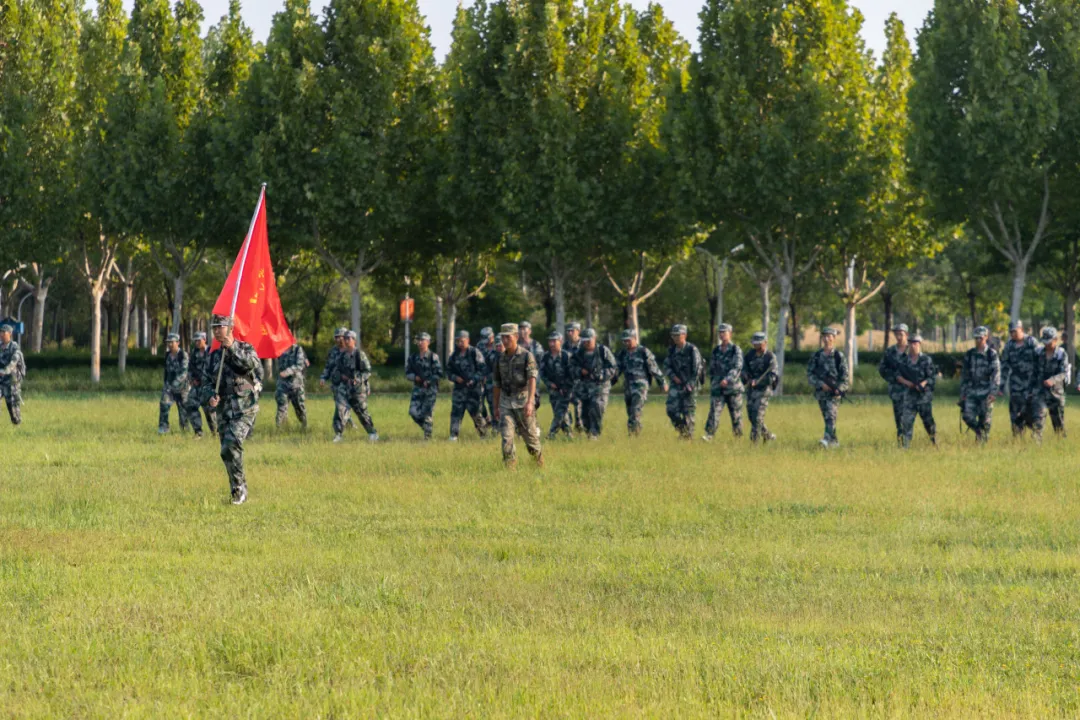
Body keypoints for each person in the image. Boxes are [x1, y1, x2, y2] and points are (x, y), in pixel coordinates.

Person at [207, 314, 260, 505]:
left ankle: (239, 491)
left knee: (231, 444)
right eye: (214, 327)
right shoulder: (213, 356)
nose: (216, 330)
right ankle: (237, 489)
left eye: (220, 326)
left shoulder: (245, 348)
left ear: (230, 327)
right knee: (226, 451)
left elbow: (248, 365)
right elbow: (207, 382)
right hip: (224, 410)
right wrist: (210, 397)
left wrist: (232, 348)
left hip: (244, 408)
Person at [492, 323, 544, 468]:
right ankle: (510, 468)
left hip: (523, 401)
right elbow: (496, 384)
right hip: (506, 402)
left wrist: (530, 401)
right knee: (507, 437)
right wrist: (495, 407)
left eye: (508, 337)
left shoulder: (527, 356)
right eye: (503, 337)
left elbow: (532, 379)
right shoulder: (499, 359)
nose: (505, 340)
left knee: (531, 440)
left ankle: (539, 462)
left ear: (516, 337)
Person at [614, 328, 667, 436]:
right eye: (624, 341)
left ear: (634, 338)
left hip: (640, 385)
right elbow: (617, 369)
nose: (626, 343)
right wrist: (609, 382)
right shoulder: (622, 353)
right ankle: (634, 432)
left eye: (628, 340)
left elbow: (653, 368)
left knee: (635, 410)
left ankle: (634, 435)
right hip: (628, 385)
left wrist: (662, 382)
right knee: (630, 412)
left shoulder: (643, 351)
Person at [570, 327, 618, 439]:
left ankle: (595, 434)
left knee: (597, 407)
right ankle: (588, 432)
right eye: (584, 340)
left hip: (600, 386)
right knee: (585, 412)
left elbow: (613, 367)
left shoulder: (603, 351)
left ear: (595, 338)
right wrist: (580, 371)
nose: (586, 342)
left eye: (589, 340)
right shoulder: (579, 352)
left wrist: (601, 375)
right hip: (584, 387)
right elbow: (571, 367)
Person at [333, 330, 379, 443]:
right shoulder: (342, 355)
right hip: (344, 387)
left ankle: (372, 433)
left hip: (358, 389)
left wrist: (358, 379)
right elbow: (337, 369)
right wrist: (340, 377)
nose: (346, 340)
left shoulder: (359, 354)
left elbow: (367, 371)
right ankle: (338, 434)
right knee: (340, 409)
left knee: (361, 412)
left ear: (354, 340)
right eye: (345, 338)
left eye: (349, 338)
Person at [806, 327, 848, 448]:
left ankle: (825, 440)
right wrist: (820, 384)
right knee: (827, 417)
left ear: (834, 338)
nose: (826, 338)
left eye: (829, 336)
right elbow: (810, 374)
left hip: (834, 394)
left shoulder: (839, 356)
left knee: (830, 415)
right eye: (824, 336)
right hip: (821, 393)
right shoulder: (817, 356)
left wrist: (839, 389)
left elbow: (845, 377)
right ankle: (834, 442)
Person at [1000, 320, 1041, 438]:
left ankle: (1036, 434)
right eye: (1011, 332)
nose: (1013, 334)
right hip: (1016, 385)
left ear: (1021, 329)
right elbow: (1004, 367)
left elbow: (1040, 361)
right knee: (1015, 413)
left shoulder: (1031, 342)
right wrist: (1001, 386)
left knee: (1032, 411)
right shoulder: (1009, 346)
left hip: (1031, 384)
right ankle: (1018, 438)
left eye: (1015, 331)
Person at [445, 330, 488, 441]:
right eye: (457, 341)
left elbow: (483, 369)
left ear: (468, 340)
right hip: (459, 390)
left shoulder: (474, 352)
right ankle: (453, 436)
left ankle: (484, 435)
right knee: (456, 413)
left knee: (476, 414)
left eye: (462, 340)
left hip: (473, 390)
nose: (459, 343)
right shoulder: (454, 355)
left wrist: (474, 379)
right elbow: (448, 372)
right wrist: (455, 378)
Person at [704, 323, 744, 441]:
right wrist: (713, 382)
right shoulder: (716, 350)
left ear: (730, 334)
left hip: (733, 389)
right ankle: (709, 435)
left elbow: (737, 367)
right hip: (718, 388)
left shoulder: (736, 350)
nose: (722, 334)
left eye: (724, 332)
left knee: (736, 416)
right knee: (714, 412)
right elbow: (712, 369)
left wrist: (727, 379)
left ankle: (738, 439)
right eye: (720, 332)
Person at [960, 326, 1000, 443]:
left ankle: (982, 444)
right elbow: (964, 375)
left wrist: (993, 392)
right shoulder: (970, 354)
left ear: (986, 337)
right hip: (972, 391)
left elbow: (996, 374)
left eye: (980, 338)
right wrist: (963, 393)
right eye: (976, 338)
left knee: (985, 421)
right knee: (967, 416)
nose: (978, 340)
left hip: (986, 392)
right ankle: (978, 432)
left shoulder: (991, 354)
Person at [898, 334, 938, 448]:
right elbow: (897, 375)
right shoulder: (904, 360)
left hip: (923, 397)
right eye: (910, 343)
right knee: (906, 422)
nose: (912, 346)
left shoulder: (926, 360)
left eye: (915, 343)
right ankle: (905, 447)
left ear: (919, 344)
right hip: (909, 396)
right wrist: (907, 383)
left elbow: (931, 377)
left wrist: (923, 384)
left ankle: (935, 443)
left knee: (928, 423)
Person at [664, 325, 703, 439]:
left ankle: (688, 437)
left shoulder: (692, 349)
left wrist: (690, 384)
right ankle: (683, 431)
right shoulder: (671, 350)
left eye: (678, 335)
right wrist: (673, 376)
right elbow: (667, 366)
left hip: (690, 385)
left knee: (688, 412)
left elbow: (697, 369)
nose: (675, 338)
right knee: (671, 410)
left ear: (684, 335)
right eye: (673, 335)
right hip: (676, 384)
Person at [1034, 326, 1070, 440]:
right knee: (1039, 418)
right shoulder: (1039, 353)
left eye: (1049, 342)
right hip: (1041, 392)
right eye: (1045, 342)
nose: (1046, 344)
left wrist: (1052, 380)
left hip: (1056, 394)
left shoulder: (1061, 354)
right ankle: (1036, 444)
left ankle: (1061, 444)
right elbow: (1034, 371)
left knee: (1058, 422)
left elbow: (1064, 373)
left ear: (1055, 339)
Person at [405, 332, 443, 440]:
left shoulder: (433, 356)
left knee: (427, 413)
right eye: (419, 340)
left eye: (423, 340)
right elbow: (407, 373)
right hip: (417, 388)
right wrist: (415, 377)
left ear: (428, 342)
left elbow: (439, 373)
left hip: (430, 389)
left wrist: (429, 381)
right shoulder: (413, 357)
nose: (420, 342)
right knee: (413, 412)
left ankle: (428, 437)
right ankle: (427, 428)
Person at [741, 332, 777, 443]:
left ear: (765, 343)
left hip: (764, 391)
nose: (756, 346)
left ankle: (754, 443)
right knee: (752, 417)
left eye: (759, 343)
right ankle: (768, 435)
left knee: (757, 416)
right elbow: (744, 370)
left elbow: (772, 376)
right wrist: (747, 378)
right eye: (755, 343)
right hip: (751, 391)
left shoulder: (770, 357)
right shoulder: (749, 355)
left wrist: (759, 382)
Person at [878, 322, 910, 446]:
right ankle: (902, 442)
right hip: (896, 390)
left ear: (906, 334)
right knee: (899, 417)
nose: (899, 337)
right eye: (896, 334)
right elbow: (882, 369)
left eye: (901, 334)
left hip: (911, 389)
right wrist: (895, 378)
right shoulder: (890, 352)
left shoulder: (912, 349)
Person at [539, 331, 575, 439]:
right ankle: (569, 433)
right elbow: (542, 373)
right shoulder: (545, 356)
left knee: (560, 411)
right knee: (559, 411)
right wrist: (550, 384)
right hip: (553, 390)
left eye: (554, 341)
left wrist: (565, 387)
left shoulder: (566, 356)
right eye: (550, 341)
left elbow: (572, 374)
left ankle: (551, 434)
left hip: (565, 390)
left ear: (560, 341)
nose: (552, 344)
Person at [320, 328, 355, 430]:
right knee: (341, 405)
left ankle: (339, 426)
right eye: (336, 337)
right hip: (335, 383)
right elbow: (328, 366)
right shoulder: (333, 351)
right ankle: (350, 425)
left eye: (339, 337)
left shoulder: (351, 350)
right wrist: (323, 377)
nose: (337, 339)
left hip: (347, 383)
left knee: (342, 405)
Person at [185, 332, 216, 437]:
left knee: (209, 411)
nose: (197, 343)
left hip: (208, 386)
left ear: (204, 339)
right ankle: (198, 432)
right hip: (197, 385)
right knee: (190, 404)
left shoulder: (212, 352)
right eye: (196, 341)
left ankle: (215, 432)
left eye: (199, 340)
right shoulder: (194, 353)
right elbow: (190, 368)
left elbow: (216, 369)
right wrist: (192, 379)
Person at [158, 332, 190, 435]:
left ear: (178, 343)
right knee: (164, 404)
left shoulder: (183, 355)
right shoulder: (167, 354)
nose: (170, 344)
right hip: (169, 386)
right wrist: (166, 384)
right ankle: (163, 428)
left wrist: (175, 384)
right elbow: (166, 371)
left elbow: (184, 373)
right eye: (168, 342)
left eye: (172, 342)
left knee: (183, 410)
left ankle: (185, 429)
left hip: (182, 388)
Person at [275, 341, 309, 428]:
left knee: (299, 407)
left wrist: (287, 372)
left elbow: (299, 365)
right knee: (281, 406)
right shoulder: (279, 349)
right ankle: (279, 429)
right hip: (282, 384)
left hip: (296, 384)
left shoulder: (298, 349)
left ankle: (304, 426)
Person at [0, 323, 25, 425]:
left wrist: (5, 371)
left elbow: (13, 362)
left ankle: (17, 423)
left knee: (12, 408)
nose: (1, 334)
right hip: (1, 380)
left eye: (3, 332)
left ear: (9, 333)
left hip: (11, 380)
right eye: (0, 332)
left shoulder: (14, 347)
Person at [519, 321, 545, 411]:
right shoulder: (516, 345)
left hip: (532, 377)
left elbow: (541, 361)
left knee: (534, 401)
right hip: (519, 378)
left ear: (529, 331)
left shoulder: (535, 345)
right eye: (520, 329)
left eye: (524, 329)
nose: (522, 331)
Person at [565, 322, 584, 432]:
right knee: (565, 403)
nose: (569, 333)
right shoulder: (565, 346)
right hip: (568, 380)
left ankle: (580, 425)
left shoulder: (584, 345)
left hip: (582, 380)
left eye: (572, 330)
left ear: (578, 331)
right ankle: (569, 426)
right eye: (568, 331)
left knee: (579, 404)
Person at [477, 327, 496, 423]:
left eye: (487, 339)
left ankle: (495, 425)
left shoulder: (499, 345)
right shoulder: (479, 346)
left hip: (494, 379)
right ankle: (486, 418)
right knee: (478, 402)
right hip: (481, 378)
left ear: (492, 336)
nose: (485, 342)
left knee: (493, 403)